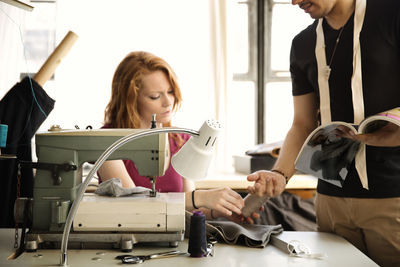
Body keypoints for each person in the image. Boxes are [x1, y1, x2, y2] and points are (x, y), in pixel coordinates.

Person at [246, 0, 400, 266]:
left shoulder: (392, 14)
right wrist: (280, 174)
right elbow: (302, 124)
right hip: (330, 200)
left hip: (392, 196)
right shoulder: (303, 43)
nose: (295, 1)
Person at [97, 51, 245, 221]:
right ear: (130, 99)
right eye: (155, 96)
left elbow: (187, 210)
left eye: (170, 91)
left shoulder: (180, 139)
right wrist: (200, 198)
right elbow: (133, 205)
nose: (168, 102)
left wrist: (219, 211)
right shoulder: (107, 141)